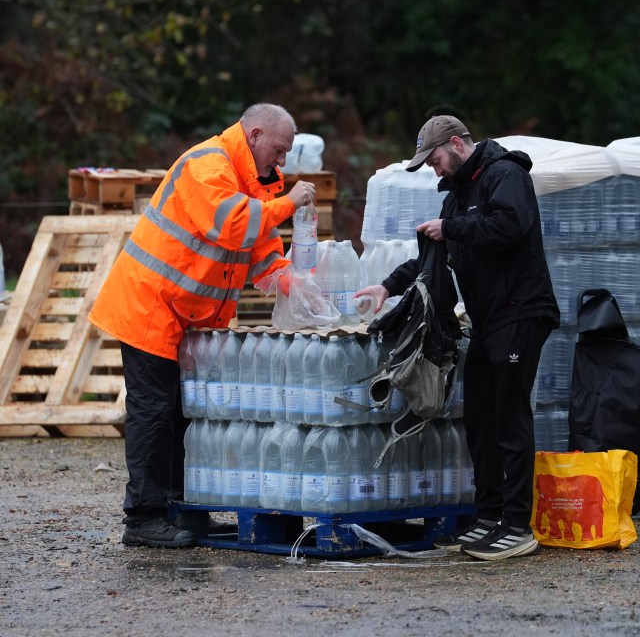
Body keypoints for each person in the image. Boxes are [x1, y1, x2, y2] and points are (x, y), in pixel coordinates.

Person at [89, 103, 316, 548]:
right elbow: (232, 225)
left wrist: (288, 278)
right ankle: (144, 518)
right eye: (279, 149)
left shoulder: (260, 181)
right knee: (155, 413)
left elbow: (262, 246)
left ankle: (180, 508)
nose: (283, 160)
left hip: (190, 317)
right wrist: (289, 204)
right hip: (151, 306)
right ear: (253, 135)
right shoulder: (206, 165)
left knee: (185, 414)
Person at [355, 115, 559, 560]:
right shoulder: (458, 194)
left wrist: (453, 228)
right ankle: (487, 516)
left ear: (456, 144)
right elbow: (433, 256)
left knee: (509, 416)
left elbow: (511, 226)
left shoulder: (506, 174)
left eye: (434, 159)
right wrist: (386, 287)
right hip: (488, 320)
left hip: (521, 312)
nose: (433, 169)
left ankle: (517, 525)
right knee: (481, 418)